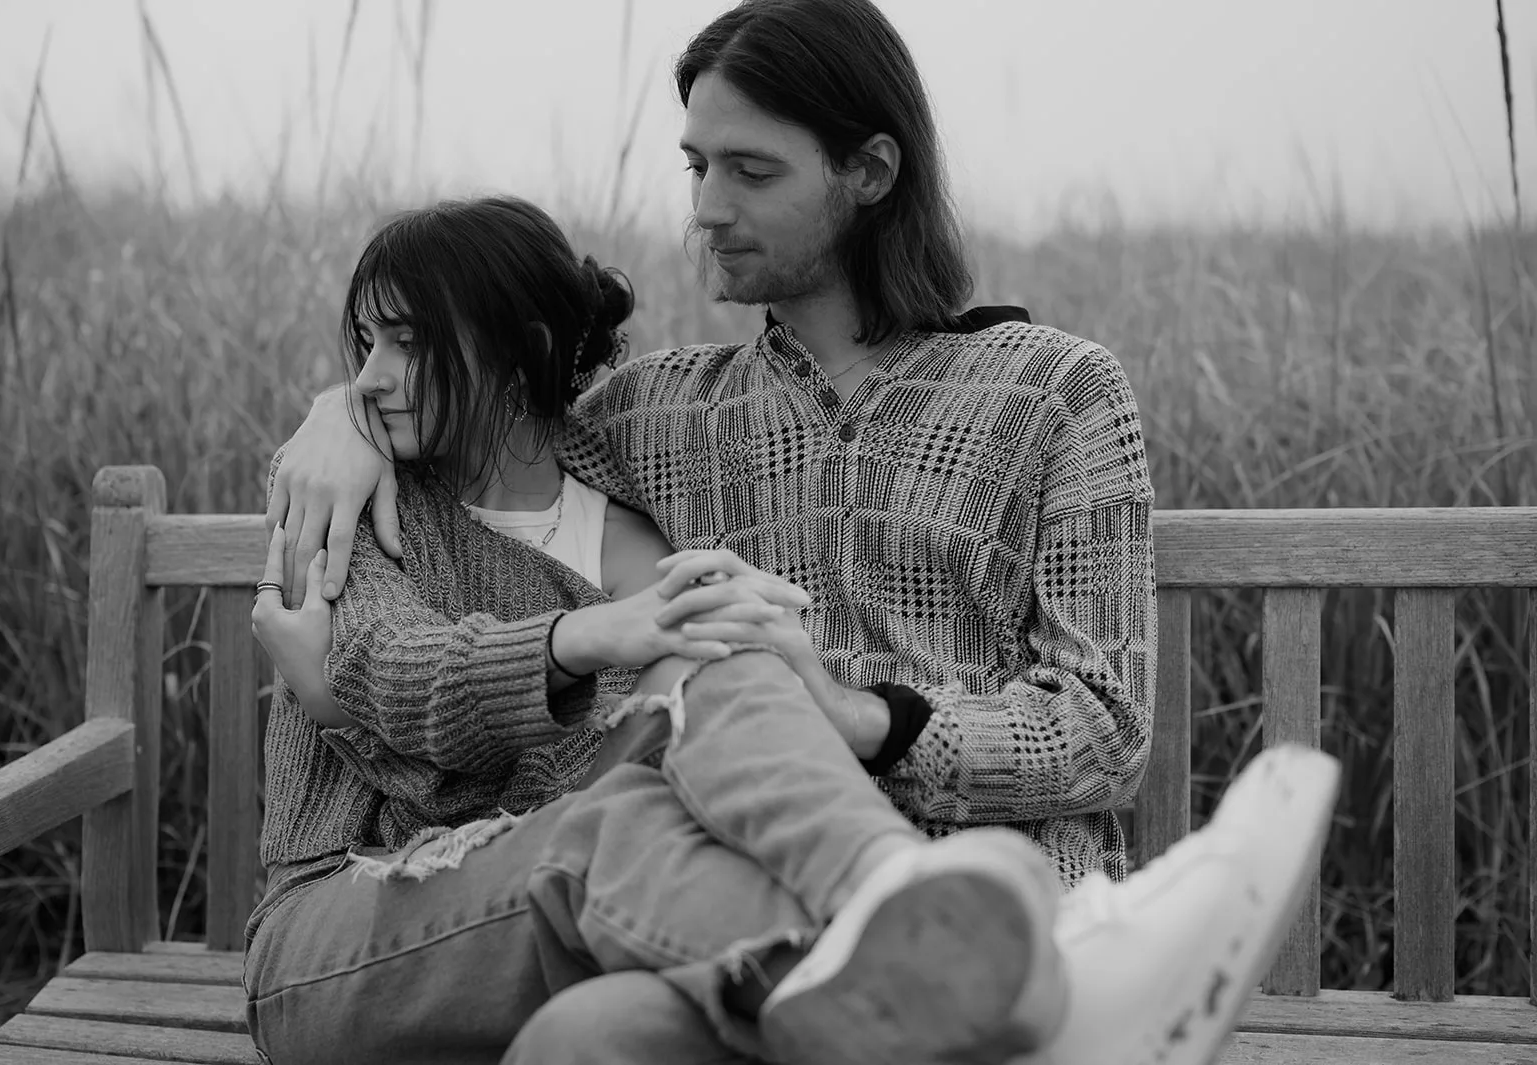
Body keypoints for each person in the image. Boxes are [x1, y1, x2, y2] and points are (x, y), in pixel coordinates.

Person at [258, 1, 1342, 1062]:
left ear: (868, 173)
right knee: (586, 1035)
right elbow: (488, 417)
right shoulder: (658, 412)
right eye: (697, 168)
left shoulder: (1051, 393)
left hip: (995, 884)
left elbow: (1102, 727)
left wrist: (862, 721)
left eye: (751, 170)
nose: (708, 208)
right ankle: (1037, 1018)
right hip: (732, 898)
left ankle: (1005, 975)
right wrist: (339, 425)